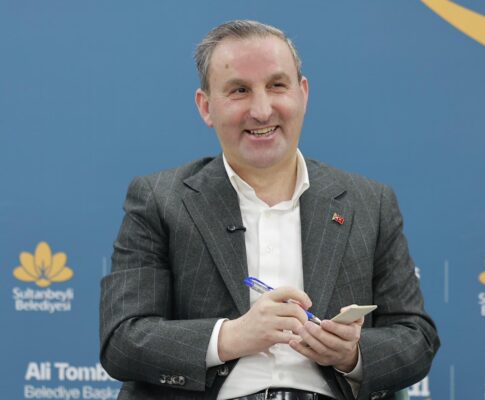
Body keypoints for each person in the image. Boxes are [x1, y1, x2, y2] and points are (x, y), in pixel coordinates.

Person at [99, 20, 440, 400]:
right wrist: (230, 337)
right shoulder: (159, 199)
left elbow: (417, 339)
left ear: (303, 94)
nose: (262, 111)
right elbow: (122, 340)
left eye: (277, 86)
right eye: (239, 91)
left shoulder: (369, 203)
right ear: (206, 107)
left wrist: (352, 355)